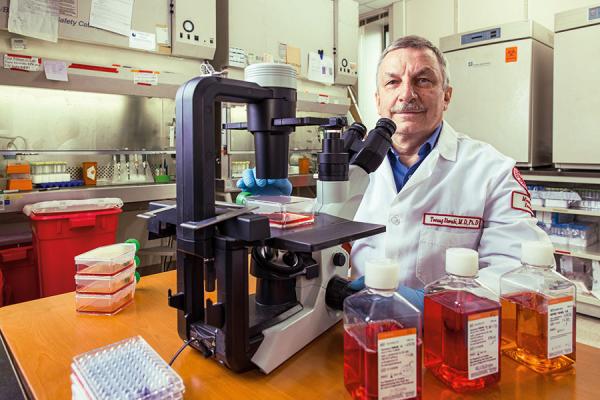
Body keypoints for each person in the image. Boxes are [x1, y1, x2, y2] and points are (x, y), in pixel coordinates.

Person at [238, 35, 549, 310]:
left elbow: (519, 271)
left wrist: (436, 308)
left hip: (450, 337)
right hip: (360, 323)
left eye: (423, 80)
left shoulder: (492, 170)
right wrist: (282, 211)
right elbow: (324, 236)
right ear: (378, 100)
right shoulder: (349, 166)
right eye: (392, 82)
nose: (407, 94)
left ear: (447, 95)